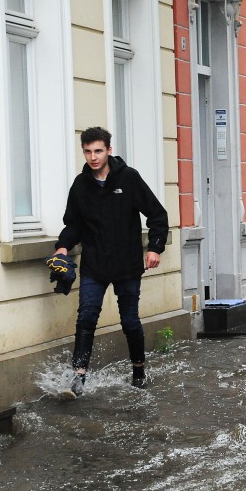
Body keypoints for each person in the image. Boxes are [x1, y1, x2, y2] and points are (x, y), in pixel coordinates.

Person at [53, 127, 168, 398]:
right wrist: (62, 247)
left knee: (129, 320)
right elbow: (73, 224)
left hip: (127, 263)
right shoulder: (81, 185)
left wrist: (155, 248)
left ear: (109, 150)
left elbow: (157, 214)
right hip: (95, 265)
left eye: (98, 151)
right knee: (87, 317)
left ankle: (138, 370)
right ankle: (79, 377)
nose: (93, 157)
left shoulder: (128, 178)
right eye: (88, 151)